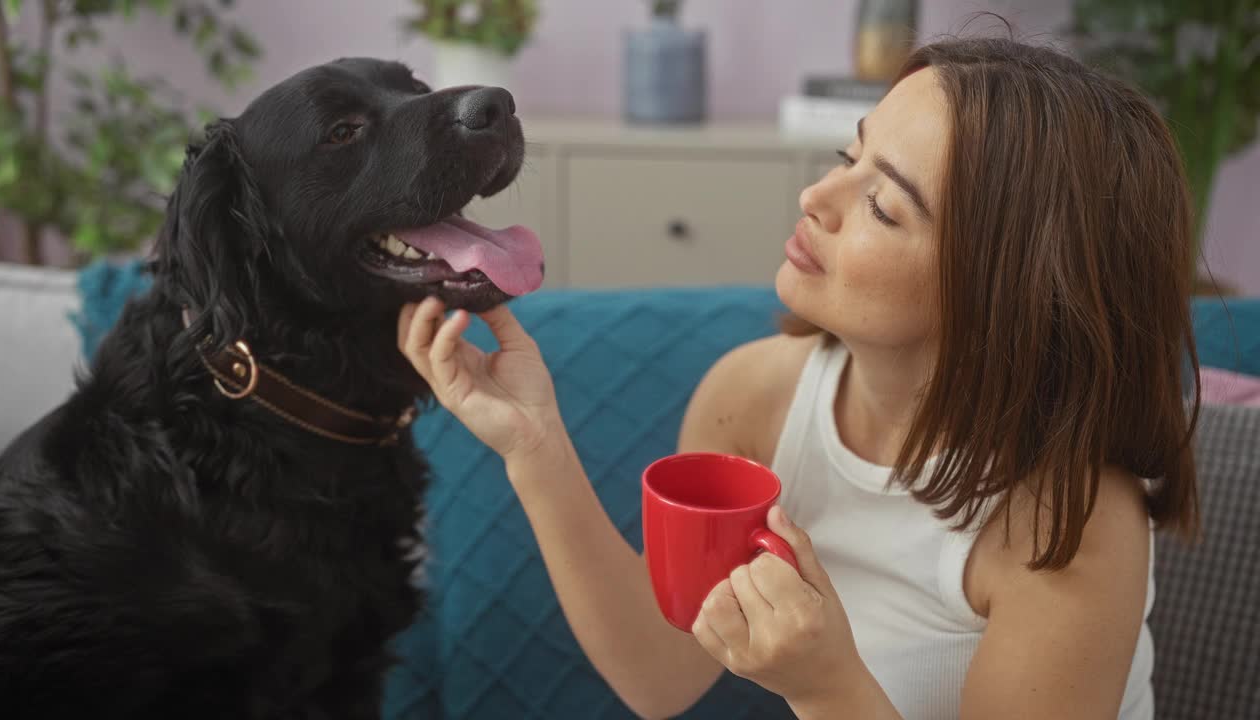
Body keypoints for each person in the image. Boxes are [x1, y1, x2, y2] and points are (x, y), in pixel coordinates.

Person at [398, 35, 1200, 720]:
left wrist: (826, 687)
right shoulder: (754, 396)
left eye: (884, 206)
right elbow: (661, 674)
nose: (818, 197)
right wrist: (533, 448)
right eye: (849, 157)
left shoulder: (1071, 518)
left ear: (1008, 297)